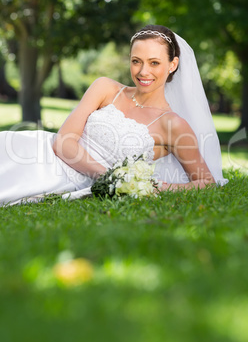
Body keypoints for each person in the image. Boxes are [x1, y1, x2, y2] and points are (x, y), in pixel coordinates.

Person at [0, 25, 227, 206]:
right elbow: (62, 143)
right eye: (136, 61)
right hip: (39, 151)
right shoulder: (105, 88)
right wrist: (113, 178)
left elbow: (206, 182)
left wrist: (157, 186)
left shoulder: (173, 125)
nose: (142, 72)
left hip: (61, 180)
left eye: (154, 63)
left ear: (172, 64)